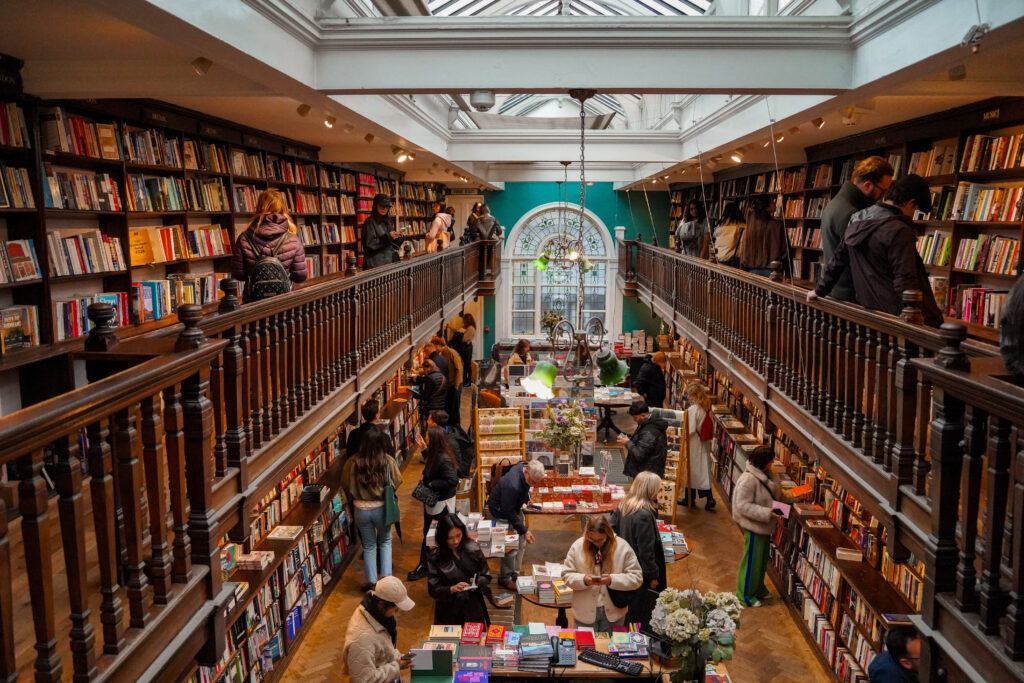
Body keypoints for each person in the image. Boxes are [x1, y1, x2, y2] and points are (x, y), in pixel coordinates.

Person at [808, 174, 944, 327]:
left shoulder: (857, 219)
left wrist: (819, 290)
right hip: (898, 316)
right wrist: (913, 315)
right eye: (916, 209)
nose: (913, 215)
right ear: (910, 203)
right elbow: (905, 278)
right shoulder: (899, 230)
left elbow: (838, 259)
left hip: (870, 312)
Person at [820, 156, 894, 302]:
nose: (882, 197)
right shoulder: (853, 213)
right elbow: (863, 261)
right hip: (851, 297)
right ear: (867, 185)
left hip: (839, 292)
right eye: (883, 191)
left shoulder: (836, 203)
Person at [341, 429, 403, 591]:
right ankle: (387, 581)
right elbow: (397, 481)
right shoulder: (387, 461)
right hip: (382, 508)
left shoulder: (352, 463)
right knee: (385, 542)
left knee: (368, 546)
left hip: (360, 509)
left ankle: (372, 583)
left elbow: (345, 485)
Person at [561, 514, 643, 630]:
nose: (597, 543)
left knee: (611, 647)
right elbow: (566, 575)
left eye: (600, 540)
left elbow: (637, 577)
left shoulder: (622, 547)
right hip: (584, 613)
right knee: (585, 647)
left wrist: (612, 580)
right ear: (587, 535)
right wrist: (584, 580)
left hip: (614, 613)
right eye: (592, 540)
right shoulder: (577, 546)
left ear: (608, 534)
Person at [609, 472, 666, 628]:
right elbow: (646, 551)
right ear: (648, 490)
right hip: (640, 573)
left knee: (629, 611)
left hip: (624, 566)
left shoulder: (624, 505)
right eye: (657, 488)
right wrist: (653, 576)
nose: (659, 492)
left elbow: (610, 528)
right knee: (642, 613)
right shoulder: (644, 515)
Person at [230, 189, 307, 300]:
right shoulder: (292, 239)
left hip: (254, 301)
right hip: (283, 300)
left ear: (259, 207)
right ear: (282, 208)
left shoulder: (244, 238)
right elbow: (300, 277)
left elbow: (238, 275)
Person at [407, 425, 460, 581]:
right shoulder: (438, 453)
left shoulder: (443, 458)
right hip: (434, 501)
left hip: (440, 503)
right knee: (429, 534)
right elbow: (432, 463)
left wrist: (432, 484)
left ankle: (427, 566)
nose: (426, 439)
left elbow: (452, 480)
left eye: (428, 438)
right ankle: (427, 565)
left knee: (432, 535)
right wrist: (424, 449)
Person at [733, 446, 782, 607]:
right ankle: (744, 595)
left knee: (761, 561)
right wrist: (767, 512)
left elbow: (772, 493)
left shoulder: (766, 474)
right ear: (764, 462)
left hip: (764, 525)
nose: (773, 463)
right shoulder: (748, 480)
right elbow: (742, 505)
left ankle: (758, 588)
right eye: (771, 461)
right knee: (751, 561)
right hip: (754, 525)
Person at [342, 576, 415, 683]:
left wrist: (398, 658)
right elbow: (363, 679)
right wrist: (396, 666)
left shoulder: (372, 613)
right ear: (381, 604)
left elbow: (381, 646)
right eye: (395, 609)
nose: (397, 612)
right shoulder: (362, 640)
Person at [487, 459, 545, 591]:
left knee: (521, 543)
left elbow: (524, 488)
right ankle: (505, 578)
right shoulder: (512, 485)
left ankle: (515, 574)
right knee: (510, 547)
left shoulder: (524, 467)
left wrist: (526, 499)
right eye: (532, 482)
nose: (533, 485)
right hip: (501, 512)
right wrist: (524, 530)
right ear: (526, 471)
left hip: (513, 508)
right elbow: (508, 512)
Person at [426, 513, 493, 626]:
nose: (455, 541)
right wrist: (451, 589)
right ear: (442, 537)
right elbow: (433, 589)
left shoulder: (473, 548)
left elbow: (486, 574)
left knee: (474, 639)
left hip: (472, 605)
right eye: (450, 538)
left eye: (458, 535)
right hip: (448, 609)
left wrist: (477, 581)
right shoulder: (435, 558)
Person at [677, 381, 716, 511]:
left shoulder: (693, 410)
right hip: (703, 442)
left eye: (689, 395)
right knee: (700, 470)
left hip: (694, 443)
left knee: (692, 470)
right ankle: (690, 497)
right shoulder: (706, 406)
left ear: (694, 395)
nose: (687, 397)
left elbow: (690, 429)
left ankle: (704, 498)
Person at [739, 195, 789, 277]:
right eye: (772, 202)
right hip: (772, 273)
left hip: (751, 272)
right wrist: (788, 274)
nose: (775, 204)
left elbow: (743, 250)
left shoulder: (751, 226)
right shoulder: (777, 225)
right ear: (766, 206)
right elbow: (785, 252)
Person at [618, 399, 668, 479]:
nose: (634, 420)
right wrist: (630, 439)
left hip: (646, 475)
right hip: (646, 472)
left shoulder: (649, 432)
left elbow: (639, 455)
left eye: (635, 417)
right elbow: (642, 443)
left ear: (643, 416)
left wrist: (627, 442)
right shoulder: (648, 424)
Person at [362, 193, 404, 269]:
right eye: (382, 206)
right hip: (375, 265)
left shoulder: (387, 222)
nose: (384, 209)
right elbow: (369, 245)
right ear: (375, 206)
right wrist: (388, 237)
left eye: (387, 207)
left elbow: (393, 245)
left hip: (387, 262)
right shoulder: (369, 222)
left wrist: (399, 237)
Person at [431, 335, 463, 427]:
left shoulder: (451, 353)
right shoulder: (441, 354)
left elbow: (459, 368)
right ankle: (450, 427)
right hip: (449, 384)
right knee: (450, 406)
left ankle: (456, 428)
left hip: (455, 384)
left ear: (438, 344)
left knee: (455, 408)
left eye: (434, 346)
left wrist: (456, 384)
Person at [413, 358, 447, 427]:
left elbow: (425, 396)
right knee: (438, 425)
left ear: (428, 368)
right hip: (441, 406)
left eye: (424, 369)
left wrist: (413, 394)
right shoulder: (442, 377)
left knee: (431, 425)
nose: (424, 371)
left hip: (432, 407)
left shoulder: (430, 378)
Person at [714, 201, 746, 267]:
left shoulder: (719, 226)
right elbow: (743, 246)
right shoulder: (741, 227)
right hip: (732, 261)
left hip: (718, 260)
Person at [459, 313, 476, 386]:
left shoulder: (471, 328)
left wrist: (460, 333)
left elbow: (463, 339)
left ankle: (467, 380)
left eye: (464, 320)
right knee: (466, 363)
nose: (463, 321)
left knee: (467, 364)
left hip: (467, 347)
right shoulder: (468, 327)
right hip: (466, 347)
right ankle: (466, 379)